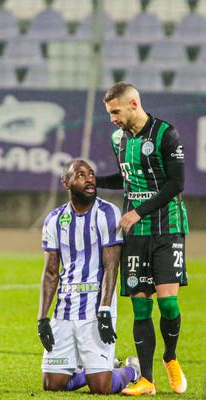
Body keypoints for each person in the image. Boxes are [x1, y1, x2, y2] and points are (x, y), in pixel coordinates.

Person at [96, 81, 189, 396]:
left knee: (169, 304)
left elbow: (176, 183)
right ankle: (146, 379)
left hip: (167, 228)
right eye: (110, 113)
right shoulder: (117, 139)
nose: (112, 119)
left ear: (133, 104)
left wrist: (139, 211)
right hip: (135, 235)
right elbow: (125, 179)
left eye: (115, 111)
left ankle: (171, 357)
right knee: (140, 308)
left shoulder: (166, 134)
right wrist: (91, 181)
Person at [37, 159, 140, 394]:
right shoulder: (54, 219)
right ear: (67, 183)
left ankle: (133, 370)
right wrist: (42, 318)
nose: (90, 179)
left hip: (96, 308)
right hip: (65, 308)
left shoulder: (107, 213)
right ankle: (95, 368)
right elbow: (51, 272)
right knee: (52, 385)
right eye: (81, 175)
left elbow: (111, 266)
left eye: (91, 174)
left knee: (101, 388)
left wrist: (104, 310)